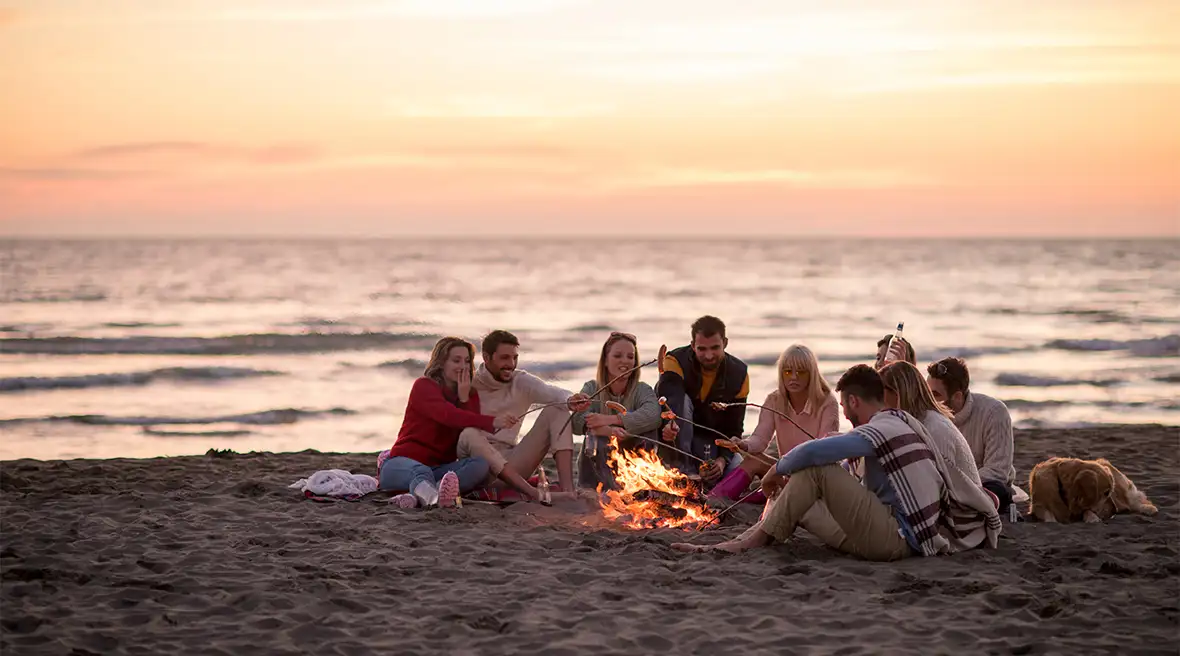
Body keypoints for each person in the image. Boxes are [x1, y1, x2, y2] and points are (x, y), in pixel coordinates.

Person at [671, 364, 999, 559]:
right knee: (797, 491)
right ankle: (752, 538)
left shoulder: (884, 427)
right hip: (885, 532)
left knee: (815, 470)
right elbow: (843, 473)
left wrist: (773, 469)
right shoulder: (897, 422)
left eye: (844, 404)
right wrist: (780, 484)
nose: (843, 412)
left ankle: (749, 542)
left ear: (853, 401)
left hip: (899, 539)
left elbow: (815, 454)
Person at [381, 337, 518, 508]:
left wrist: (463, 398)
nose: (463, 366)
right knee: (421, 472)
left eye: (467, 361)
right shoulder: (424, 386)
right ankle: (434, 499)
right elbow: (448, 416)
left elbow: (470, 431)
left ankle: (431, 492)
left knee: (480, 465)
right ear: (441, 363)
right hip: (401, 464)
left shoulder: (470, 395)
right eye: (456, 360)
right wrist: (493, 421)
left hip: (438, 468)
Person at [457, 330, 591, 501]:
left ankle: (568, 490)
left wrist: (571, 399)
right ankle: (532, 492)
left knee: (558, 408)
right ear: (486, 357)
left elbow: (552, 393)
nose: (511, 364)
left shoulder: (521, 381)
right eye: (504, 358)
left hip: (513, 466)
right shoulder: (467, 383)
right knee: (469, 433)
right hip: (478, 468)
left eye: (515, 358)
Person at [879, 361, 1002, 546]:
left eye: (880, 393)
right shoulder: (919, 422)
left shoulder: (933, 428)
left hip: (960, 525)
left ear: (897, 394)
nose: (877, 401)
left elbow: (936, 495)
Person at [709, 344, 839, 502]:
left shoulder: (827, 402)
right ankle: (713, 499)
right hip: (786, 470)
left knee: (770, 491)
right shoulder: (774, 400)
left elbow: (825, 451)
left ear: (811, 374)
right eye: (788, 371)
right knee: (753, 459)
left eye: (801, 372)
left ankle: (744, 501)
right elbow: (760, 439)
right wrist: (742, 445)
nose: (793, 377)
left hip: (813, 477)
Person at [657, 316, 750, 485]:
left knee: (737, 469)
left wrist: (722, 461)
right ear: (693, 346)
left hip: (710, 444)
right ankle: (684, 471)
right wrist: (668, 425)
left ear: (725, 343)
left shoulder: (740, 373)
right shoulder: (674, 361)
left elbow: (735, 428)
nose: (709, 355)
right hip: (676, 442)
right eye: (702, 349)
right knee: (682, 402)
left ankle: (707, 477)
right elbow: (671, 400)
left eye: (715, 348)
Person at [571, 332, 662, 490]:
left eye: (630, 357)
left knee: (649, 430)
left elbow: (654, 414)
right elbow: (577, 422)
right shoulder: (592, 388)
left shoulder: (642, 389)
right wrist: (608, 430)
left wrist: (611, 420)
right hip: (598, 468)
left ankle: (639, 486)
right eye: (618, 356)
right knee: (595, 436)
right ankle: (599, 490)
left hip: (634, 460)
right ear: (605, 360)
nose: (625, 361)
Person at [926, 357, 1018, 512]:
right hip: (943, 487)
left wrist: (956, 486)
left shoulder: (994, 412)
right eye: (927, 392)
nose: (929, 400)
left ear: (957, 397)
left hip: (984, 485)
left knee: (997, 490)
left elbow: (997, 471)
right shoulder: (927, 414)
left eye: (935, 395)